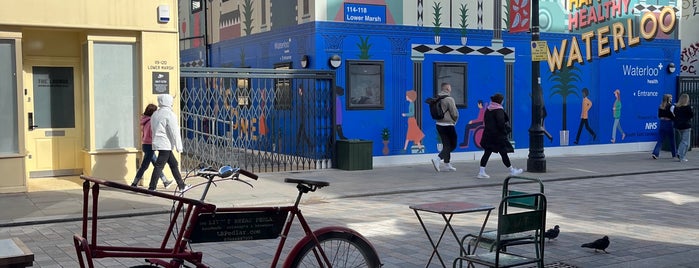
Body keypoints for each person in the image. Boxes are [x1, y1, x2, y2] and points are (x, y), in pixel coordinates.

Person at [149, 94, 190, 192]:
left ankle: (181, 185)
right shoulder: (170, 114)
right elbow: (174, 131)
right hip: (165, 143)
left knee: (173, 163)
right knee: (159, 165)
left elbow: (152, 128)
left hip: (158, 142)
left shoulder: (155, 114)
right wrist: (178, 146)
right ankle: (151, 187)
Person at [477, 93, 523, 179]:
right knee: (503, 153)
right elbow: (501, 123)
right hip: (498, 137)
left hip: (488, 135)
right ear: (500, 101)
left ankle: (481, 171)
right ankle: (512, 170)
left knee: (487, 153)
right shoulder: (499, 110)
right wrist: (504, 132)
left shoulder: (488, 109)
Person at [130, 104, 173, 188]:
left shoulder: (145, 120)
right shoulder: (150, 122)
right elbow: (151, 134)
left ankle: (165, 181)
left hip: (146, 144)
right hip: (149, 145)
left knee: (156, 164)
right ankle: (134, 184)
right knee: (144, 166)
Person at [430, 83, 459, 172]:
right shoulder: (449, 99)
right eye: (450, 87)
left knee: (446, 145)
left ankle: (447, 164)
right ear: (447, 88)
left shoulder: (437, 98)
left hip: (439, 124)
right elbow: (454, 113)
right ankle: (438, 159)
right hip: (448, 125)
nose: (451, 88)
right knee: (453, 145)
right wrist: (455, 120)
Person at [651, 94, 677, 159]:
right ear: (668, 99)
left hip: (662, 122)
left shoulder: (661, 106)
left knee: (660, 139)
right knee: (672, 140)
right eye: (671, 98)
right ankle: (674, 154)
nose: (671, 99)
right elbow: (673, 116)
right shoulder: (671, 106)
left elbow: (659, 116)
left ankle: (655, 153)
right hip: (669, 123)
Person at [673, 93, 692, 161]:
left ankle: (681, 155)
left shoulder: (676, 107)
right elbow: (691, 115)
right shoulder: (687, 107)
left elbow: (674, 116)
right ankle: (680, 155)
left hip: (679, 126)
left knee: (683, 141)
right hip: (686, 126)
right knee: (686, 142)